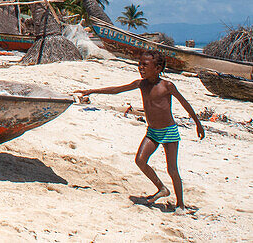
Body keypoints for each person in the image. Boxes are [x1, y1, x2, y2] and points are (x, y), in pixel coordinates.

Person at [74, 50, 205, 210]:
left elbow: (185, 104)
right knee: (140, 160)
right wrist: (93, 91)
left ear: (157, 69)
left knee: (172, 169)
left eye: (145, 65)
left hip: (169, 131)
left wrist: (198, 124)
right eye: (139, 64)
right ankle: (162, 189)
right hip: (153, 132)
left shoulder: (167, 86)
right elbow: (117, 90)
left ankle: (181, 205)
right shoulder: (141, 84)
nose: (140, 68)